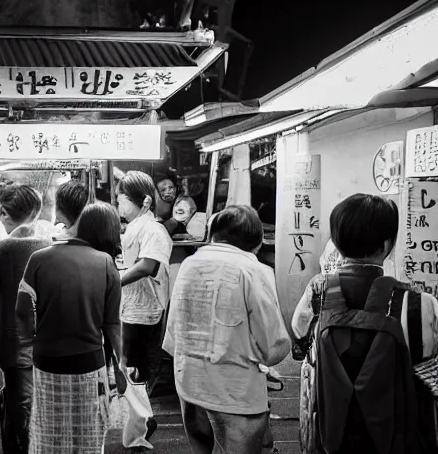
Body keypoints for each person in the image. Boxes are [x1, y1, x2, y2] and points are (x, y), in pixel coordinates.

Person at [292, 193, 438, 453]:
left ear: (336, 242)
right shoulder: (421, 305)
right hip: (397, 437)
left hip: (332, 436)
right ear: (386, 244)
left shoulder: (317, 294)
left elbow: (300, 337)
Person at [163, 205, 291, 454]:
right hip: (234, 391)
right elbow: (273, 343)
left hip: (188, 382)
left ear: (212, 235)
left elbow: (172, 333)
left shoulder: (190, 264)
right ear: (256, 242)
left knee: (201, 447)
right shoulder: (253, 270)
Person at [15, 201, 122, 454]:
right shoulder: (106, 263)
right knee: (87, 436)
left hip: (46, 359)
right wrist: (121, 367)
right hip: (88, 363)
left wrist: (32, 338)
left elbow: (21, 308)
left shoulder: (39, 258)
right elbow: (113, 325)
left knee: (49, 436)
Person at [0, 184, 51, 453]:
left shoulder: (3, 248)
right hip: (42, 337)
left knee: (14, 404)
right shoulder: (49, 245)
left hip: (10, 340)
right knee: (33, 401)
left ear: (4, 212)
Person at [116, 171, 173, 443]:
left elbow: (147, 265)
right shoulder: (135, 227)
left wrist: (115, 280)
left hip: (145, 311)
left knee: (137, 369)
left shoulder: (154, 229)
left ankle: (142, 421)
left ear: (146, 201)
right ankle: (139, 422)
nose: (119, 205)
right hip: (130, 308)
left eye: (123, 200)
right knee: (129, 367)